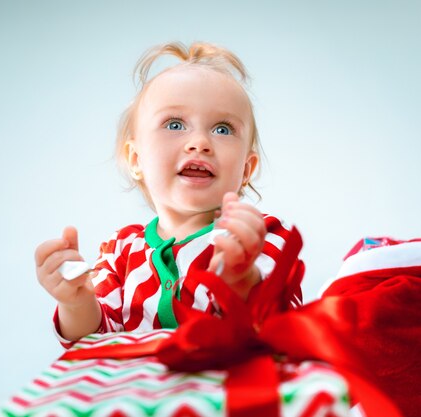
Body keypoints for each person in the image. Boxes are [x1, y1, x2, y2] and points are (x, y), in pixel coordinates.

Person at [35, 42, 299, 347]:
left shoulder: (261, 237)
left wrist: (244, 281)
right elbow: (94, 341)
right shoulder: (120, 251)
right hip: (140, 393)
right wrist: (75, 302)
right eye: (175, 124)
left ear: (246, 168)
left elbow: (286, 330)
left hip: (227, 390)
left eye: (223, 129)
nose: (199, 142)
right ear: (136, 159)